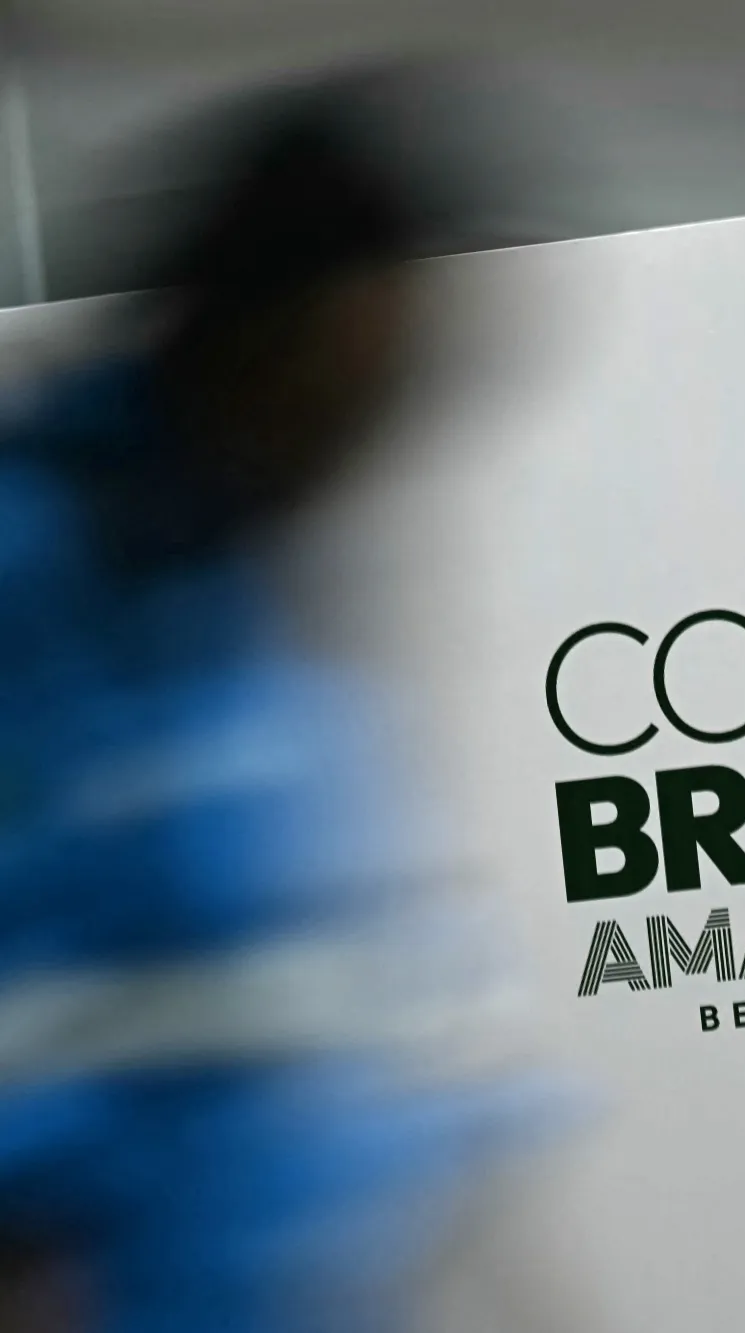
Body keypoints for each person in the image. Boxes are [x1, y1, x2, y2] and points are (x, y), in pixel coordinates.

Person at [0, 72, 523, 1332]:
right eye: (357, 379)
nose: (371, 435)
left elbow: (332, 993)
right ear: (264, 329)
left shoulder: (269, 598)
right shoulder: (39, 559)